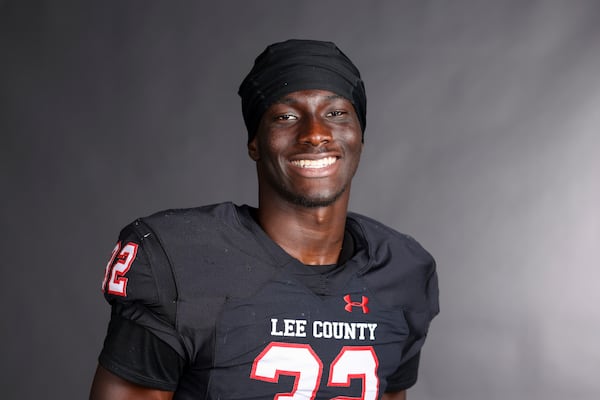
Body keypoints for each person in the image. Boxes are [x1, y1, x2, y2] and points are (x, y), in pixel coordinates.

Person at [90, 39, 439, 400]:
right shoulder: (181, 259)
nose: (315, 134)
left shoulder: (402, 269)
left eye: (336, 113)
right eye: (286, 116)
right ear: (255, 142)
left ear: (360, 136)